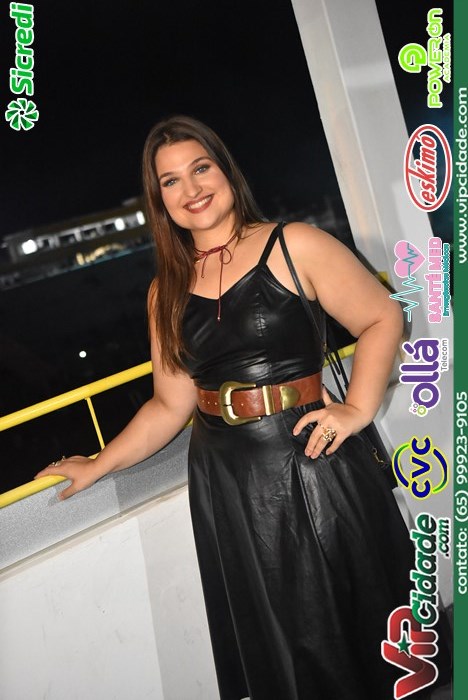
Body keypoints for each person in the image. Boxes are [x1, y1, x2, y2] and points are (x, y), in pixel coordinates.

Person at [35, 115, 418, 699]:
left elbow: (382, 316)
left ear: (226, 171)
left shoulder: (294, 243)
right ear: (159, 200)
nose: (190, 189)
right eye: (170, 181)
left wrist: (357, 407)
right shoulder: (164, 291)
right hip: (228, 480)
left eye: (200, 168)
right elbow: (170, 404)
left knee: (354, 626)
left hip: (313, 459)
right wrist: (98, 463)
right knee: (284, 642)